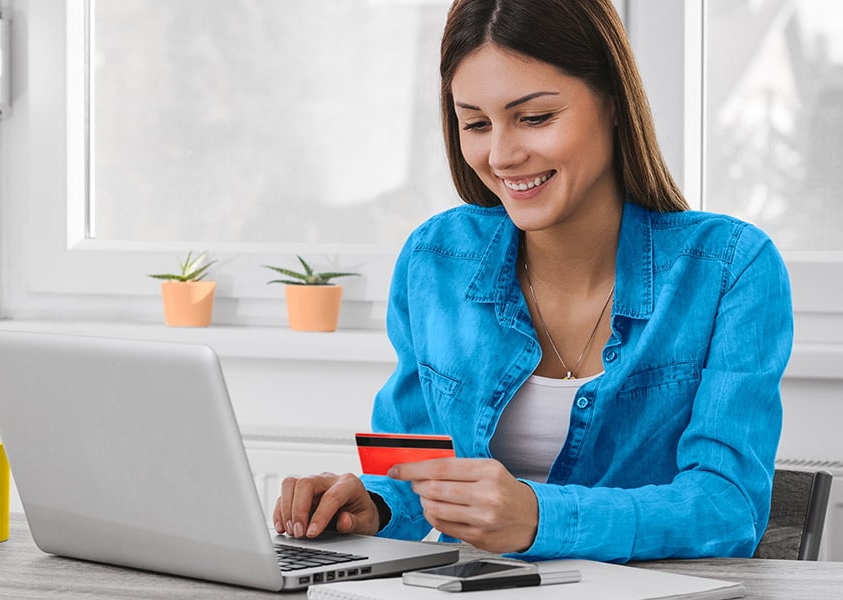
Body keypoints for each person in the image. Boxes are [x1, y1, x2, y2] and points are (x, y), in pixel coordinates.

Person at [272, 0, 793, 562]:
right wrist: (371, 504)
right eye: (475, 123)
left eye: (536, 117)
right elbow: (410, 468)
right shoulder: (435, 258)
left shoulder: (729, 267)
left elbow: (727, 508)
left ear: (614, 103)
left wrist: (537, 517)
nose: (501, 154)